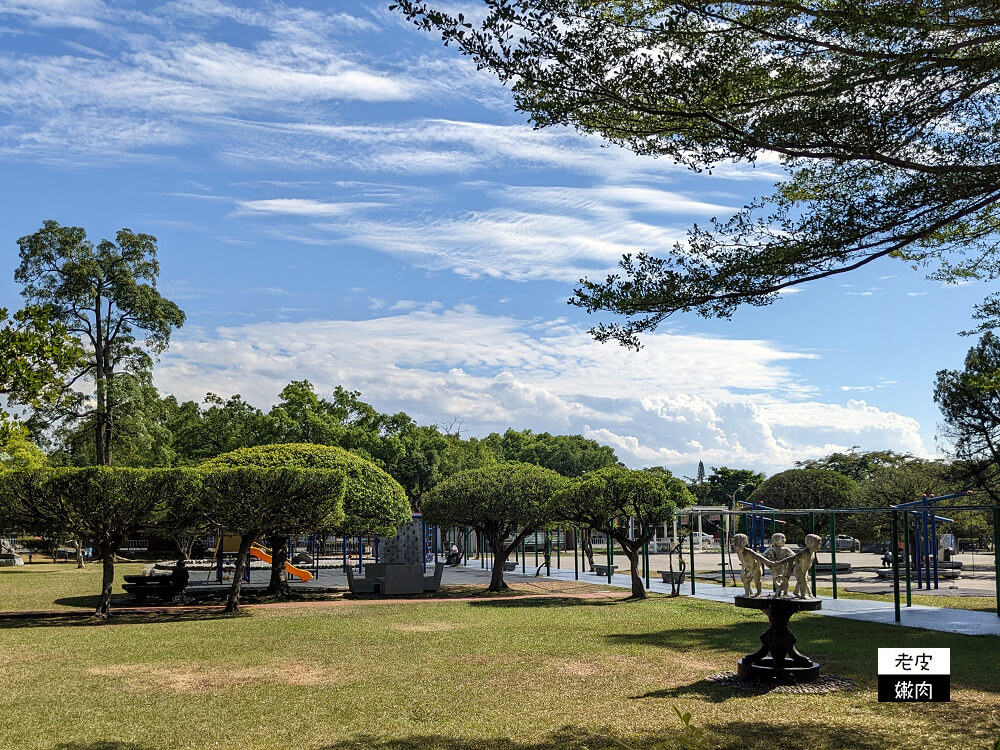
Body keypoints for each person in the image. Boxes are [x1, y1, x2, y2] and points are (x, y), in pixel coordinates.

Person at [732, 533, 763, 597]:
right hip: (748, 569)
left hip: (755, 569)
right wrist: (742, 571)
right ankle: (748, 594)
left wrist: (756, 568)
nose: (734, 544)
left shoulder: (749, 551)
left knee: (757, 580)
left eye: (737, 542)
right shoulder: (739, 552)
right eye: (734, 542)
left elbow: (759, 558)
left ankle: (759, 592)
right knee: (745, 580)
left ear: (744, 542)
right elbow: (743, 562)